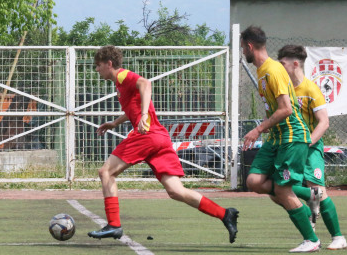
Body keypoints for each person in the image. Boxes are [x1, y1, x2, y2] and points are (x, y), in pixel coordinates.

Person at [87, 45, 238, 243]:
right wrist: (115, 122)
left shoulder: (123, 76)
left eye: (98, 65)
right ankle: (225, 214)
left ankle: (114, 224)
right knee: (176, 191)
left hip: (146, 136)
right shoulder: (120, 85)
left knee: (106, 172)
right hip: (159, 138)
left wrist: (142, 116)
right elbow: (135, 106)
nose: (97, 70)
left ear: (109, 64)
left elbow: (145, 84)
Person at [240, 27, 320, 253]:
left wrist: (258, 129)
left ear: (249, 46)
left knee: (283, 191)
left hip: (292, 137)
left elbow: (285, 109)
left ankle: (311, 240)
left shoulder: (273, 70)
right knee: (254, 181)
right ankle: (305, 204)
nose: (242, 52)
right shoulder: (262, 70)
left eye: (241, 47)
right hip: (277, 138)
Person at [277, 45, 347, 250]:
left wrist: (306, 145)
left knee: (320, 191)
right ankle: (309, 205)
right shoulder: (283, 89)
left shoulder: (310, 89)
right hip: (289, 147)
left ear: (295, 64)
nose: (280, 68)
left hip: (310, 148)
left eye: (282, 64)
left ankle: (338, 237)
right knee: (276, 188)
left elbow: (323, 122)